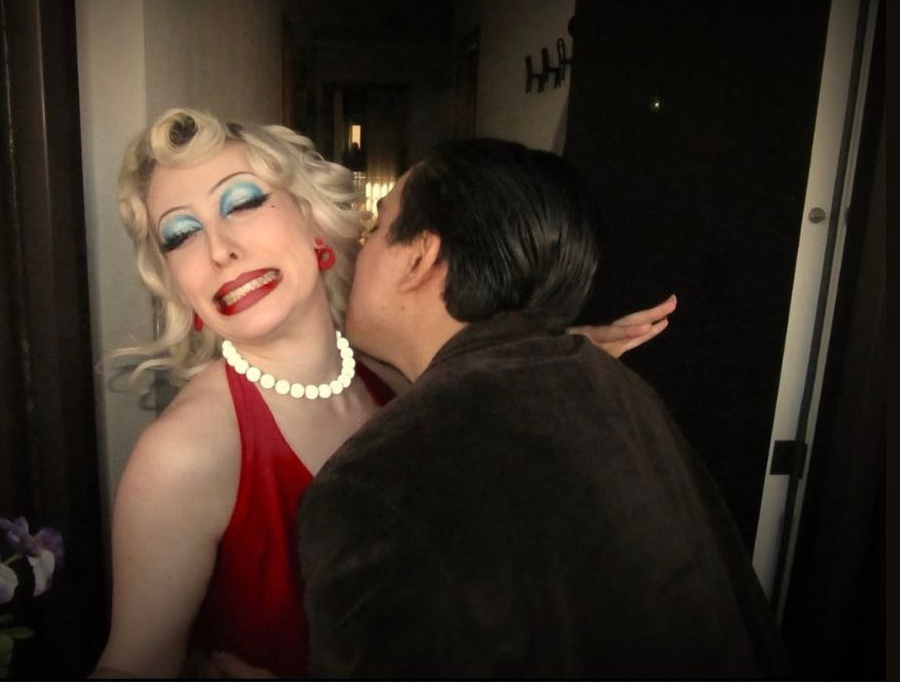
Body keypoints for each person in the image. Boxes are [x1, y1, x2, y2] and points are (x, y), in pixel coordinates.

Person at [90, 109, 675, 678]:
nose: (218, 249)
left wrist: (552, 352)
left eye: (241, 203)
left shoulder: (396, 379)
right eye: (181, 235)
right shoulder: (184, 453)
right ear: (176, 283)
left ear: (310, 219)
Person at [296, 139, 787, 677]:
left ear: (421, 257)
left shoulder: (374, 482)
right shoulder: (616, 387)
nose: (356, 252)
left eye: (373, 229)